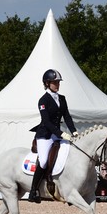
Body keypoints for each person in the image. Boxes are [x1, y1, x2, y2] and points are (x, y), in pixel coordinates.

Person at [28, 69, 78, 203]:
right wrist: (61, 133)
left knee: (69, 153)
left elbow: (67, 116)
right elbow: (46, 122)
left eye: (58, 82)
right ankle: (33, 191)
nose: (57, 84)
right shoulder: (43, 100)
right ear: (47, 83)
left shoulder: (62, 98)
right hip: (45, 135)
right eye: (55, 82)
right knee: (43, 161)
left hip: (56, 134)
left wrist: (74, 131)